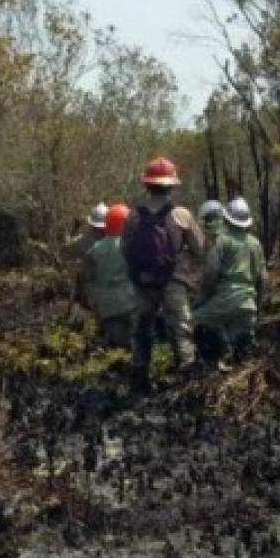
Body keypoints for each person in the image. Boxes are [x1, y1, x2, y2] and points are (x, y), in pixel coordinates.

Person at [121, 156, 205, 393]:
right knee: (181, 328)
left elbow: (124, 249)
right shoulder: (182, 215)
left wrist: (138, 274)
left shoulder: (134, 216)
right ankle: (187, 379)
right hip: (173, 282)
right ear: (171, 185)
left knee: (141, 329)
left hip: (143, 283)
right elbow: (200, 249)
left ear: (147, 184)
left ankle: (139, 378)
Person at [193, 197, 266, 367]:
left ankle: (209, 367)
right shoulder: (256, 244)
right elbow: (263, 279)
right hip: (248, 304)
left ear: (226, 218)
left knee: (195, 321)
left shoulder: (221, 241)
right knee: (243, 357)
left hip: (226, 299)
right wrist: (257, 307)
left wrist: (202, 300)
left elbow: (211, 273)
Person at [82, 204, 139, 348]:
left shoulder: (94, 250)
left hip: (108, 307)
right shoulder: (130, 244)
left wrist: (94, 301)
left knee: (117, 347)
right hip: (132, 301)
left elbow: (88, 278)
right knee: (137, 346)